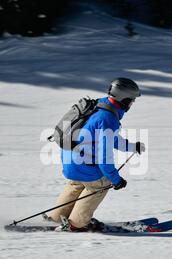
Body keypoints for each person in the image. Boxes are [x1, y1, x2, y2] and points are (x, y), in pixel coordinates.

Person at [46, 78, 146, 231]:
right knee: (100, 184)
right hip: (85, 164)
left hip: (69, 160)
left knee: (76, 184)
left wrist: (131, 146)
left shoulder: (98, 105)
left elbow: (108, 138)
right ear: (123, 99)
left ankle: (55, 217)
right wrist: (115, 179)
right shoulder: (108, 119)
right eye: (131, 100)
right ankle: (77, 223)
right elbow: (104, 157)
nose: (132, 104)